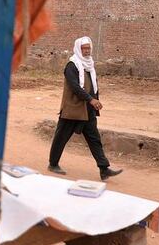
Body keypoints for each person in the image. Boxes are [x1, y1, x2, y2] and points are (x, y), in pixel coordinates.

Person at [47, 36, 122, 181]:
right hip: (73, 108)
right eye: (84, 48)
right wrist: (91, 99)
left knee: (94, 138)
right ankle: (53, 163)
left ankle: (104, 168)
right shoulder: (72, 65)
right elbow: (75, 87)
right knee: (61, 137)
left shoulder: (89, 65)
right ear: (78, 49)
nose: (87, 51)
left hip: (88, 110)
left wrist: (95, 101)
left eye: (88, 48)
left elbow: (93, 86)